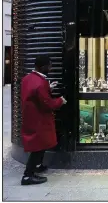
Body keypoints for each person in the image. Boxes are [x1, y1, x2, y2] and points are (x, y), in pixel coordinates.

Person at [20, 55, 67, 185]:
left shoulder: (28, 79)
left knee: (40, 144)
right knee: (38, 147)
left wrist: (48, 88)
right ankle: (27, 175)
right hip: (39, 119)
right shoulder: (40, 83)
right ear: (43, 67)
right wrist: (60, 100)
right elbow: (49, 104)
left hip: (30, 117)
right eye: (49, 66)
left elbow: (33, 94)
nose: (51, 68)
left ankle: (37, 166)